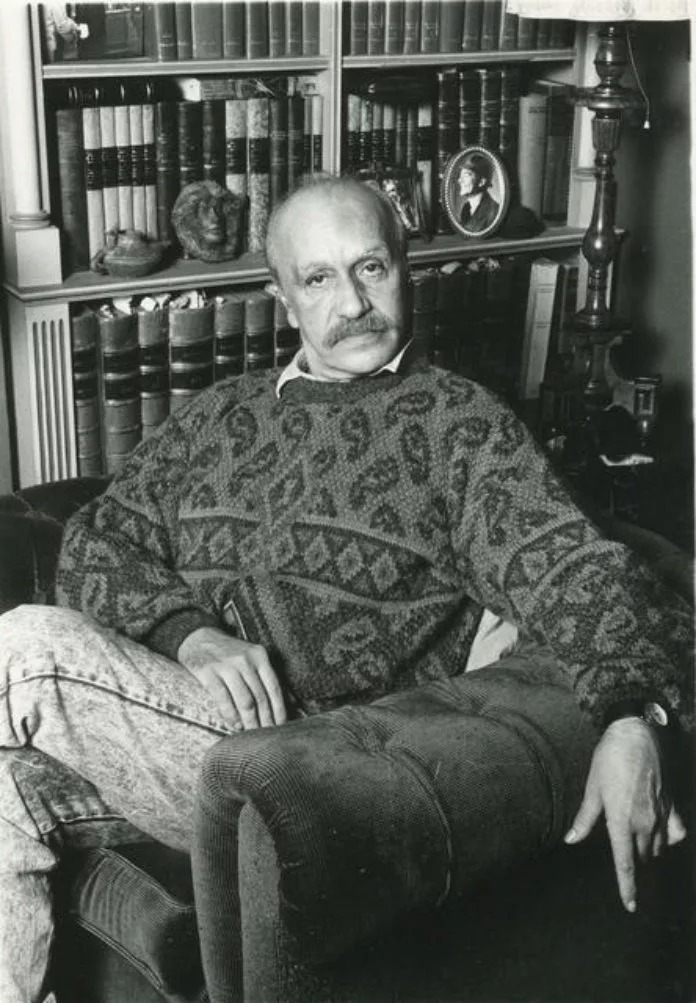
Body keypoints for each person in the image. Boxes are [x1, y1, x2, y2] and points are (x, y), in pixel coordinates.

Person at [0, 176, 691, 1003]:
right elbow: (96, 541)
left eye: (371, 268)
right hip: (185, 732)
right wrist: (190, 633)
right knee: (5, 787)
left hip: (310, 767)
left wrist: (631, 717)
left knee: (22, 650)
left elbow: (577, 569)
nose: (355, 302)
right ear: (282, 296)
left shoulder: (459, 425)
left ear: (405, 268)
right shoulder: (218, 416)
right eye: (320, 278)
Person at [456, 151, 499, 233]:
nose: (459, 180)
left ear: (481, 182)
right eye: (460, 176)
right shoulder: (466, 208)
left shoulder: (493, 211)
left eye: (466, 175)